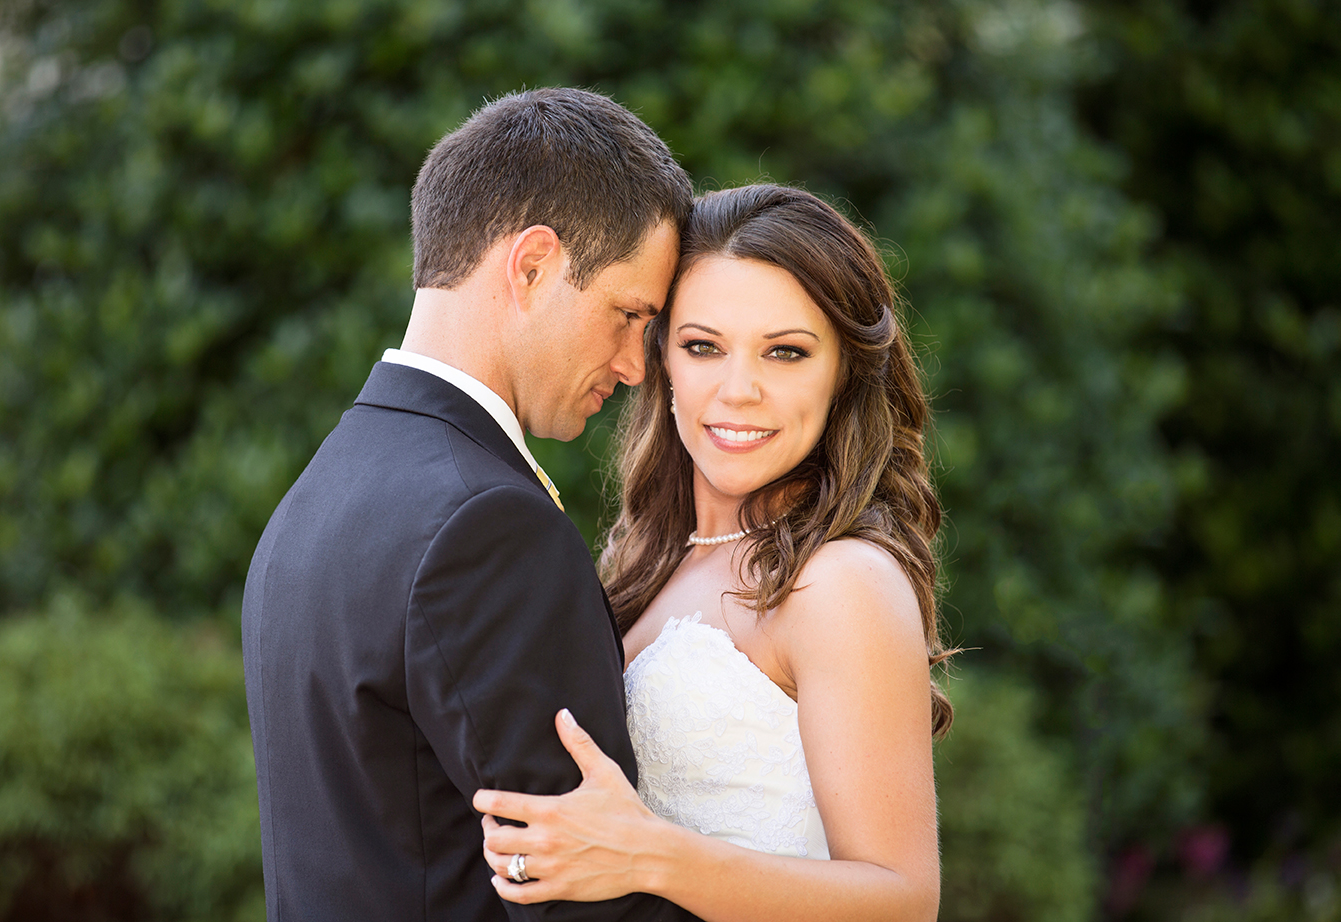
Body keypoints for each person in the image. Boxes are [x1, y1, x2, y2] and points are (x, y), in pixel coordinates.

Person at [241, 88, 701, 921]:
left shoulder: (318, 493)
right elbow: (585, 904)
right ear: (531, 266)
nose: (638, 365)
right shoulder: (487, 526)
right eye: (629, 314)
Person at [473, 184, 955, 922]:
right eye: (704, 347)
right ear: (660, 361)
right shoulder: (650, 561)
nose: (740, 391)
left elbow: (902, 901)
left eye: (786, 353)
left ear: (843, 375)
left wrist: (651, 855)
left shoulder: (840, 582)